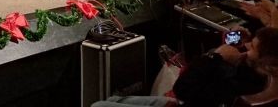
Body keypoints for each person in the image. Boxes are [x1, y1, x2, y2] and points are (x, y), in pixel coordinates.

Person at [91, 26, 278, 107]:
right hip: (187, 102)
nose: (246, 47)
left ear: (267, 63)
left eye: (252, 47)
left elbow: (182, 88)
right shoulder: (257, 73)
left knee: (99, 105)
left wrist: (214, 57)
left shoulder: (244, 88)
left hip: (186, 101)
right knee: (113, 100)